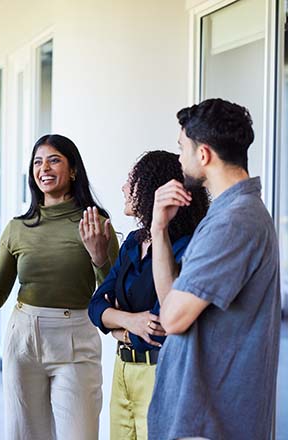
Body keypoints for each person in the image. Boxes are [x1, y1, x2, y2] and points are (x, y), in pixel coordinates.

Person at [0, 134, 120, 440]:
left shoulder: (96, 222)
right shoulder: (18, 228)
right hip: (23, 340)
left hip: (76, 338)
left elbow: (112, 298)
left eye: (54, 159)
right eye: (37, 161)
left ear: (73, 169)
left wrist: (99, 257)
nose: (43, 168)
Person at [147, 98, 281, 440]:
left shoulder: (235, 222)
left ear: (203, 154)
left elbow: (173, 319)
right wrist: (159, 229)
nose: (179, 159)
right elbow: (171, 301)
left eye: (182, 148)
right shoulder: (227, 214)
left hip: (210, 423)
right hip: (201, 416)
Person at [87, 151, 209, 440]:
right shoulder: (133, 242)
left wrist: (116, 322)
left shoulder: (185, 248)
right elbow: (94, 306)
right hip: (123, 370)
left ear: (153, 188)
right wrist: (129, 324)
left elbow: (160, 327)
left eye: (132, 180)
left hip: (158, 373)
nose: (124, 188)